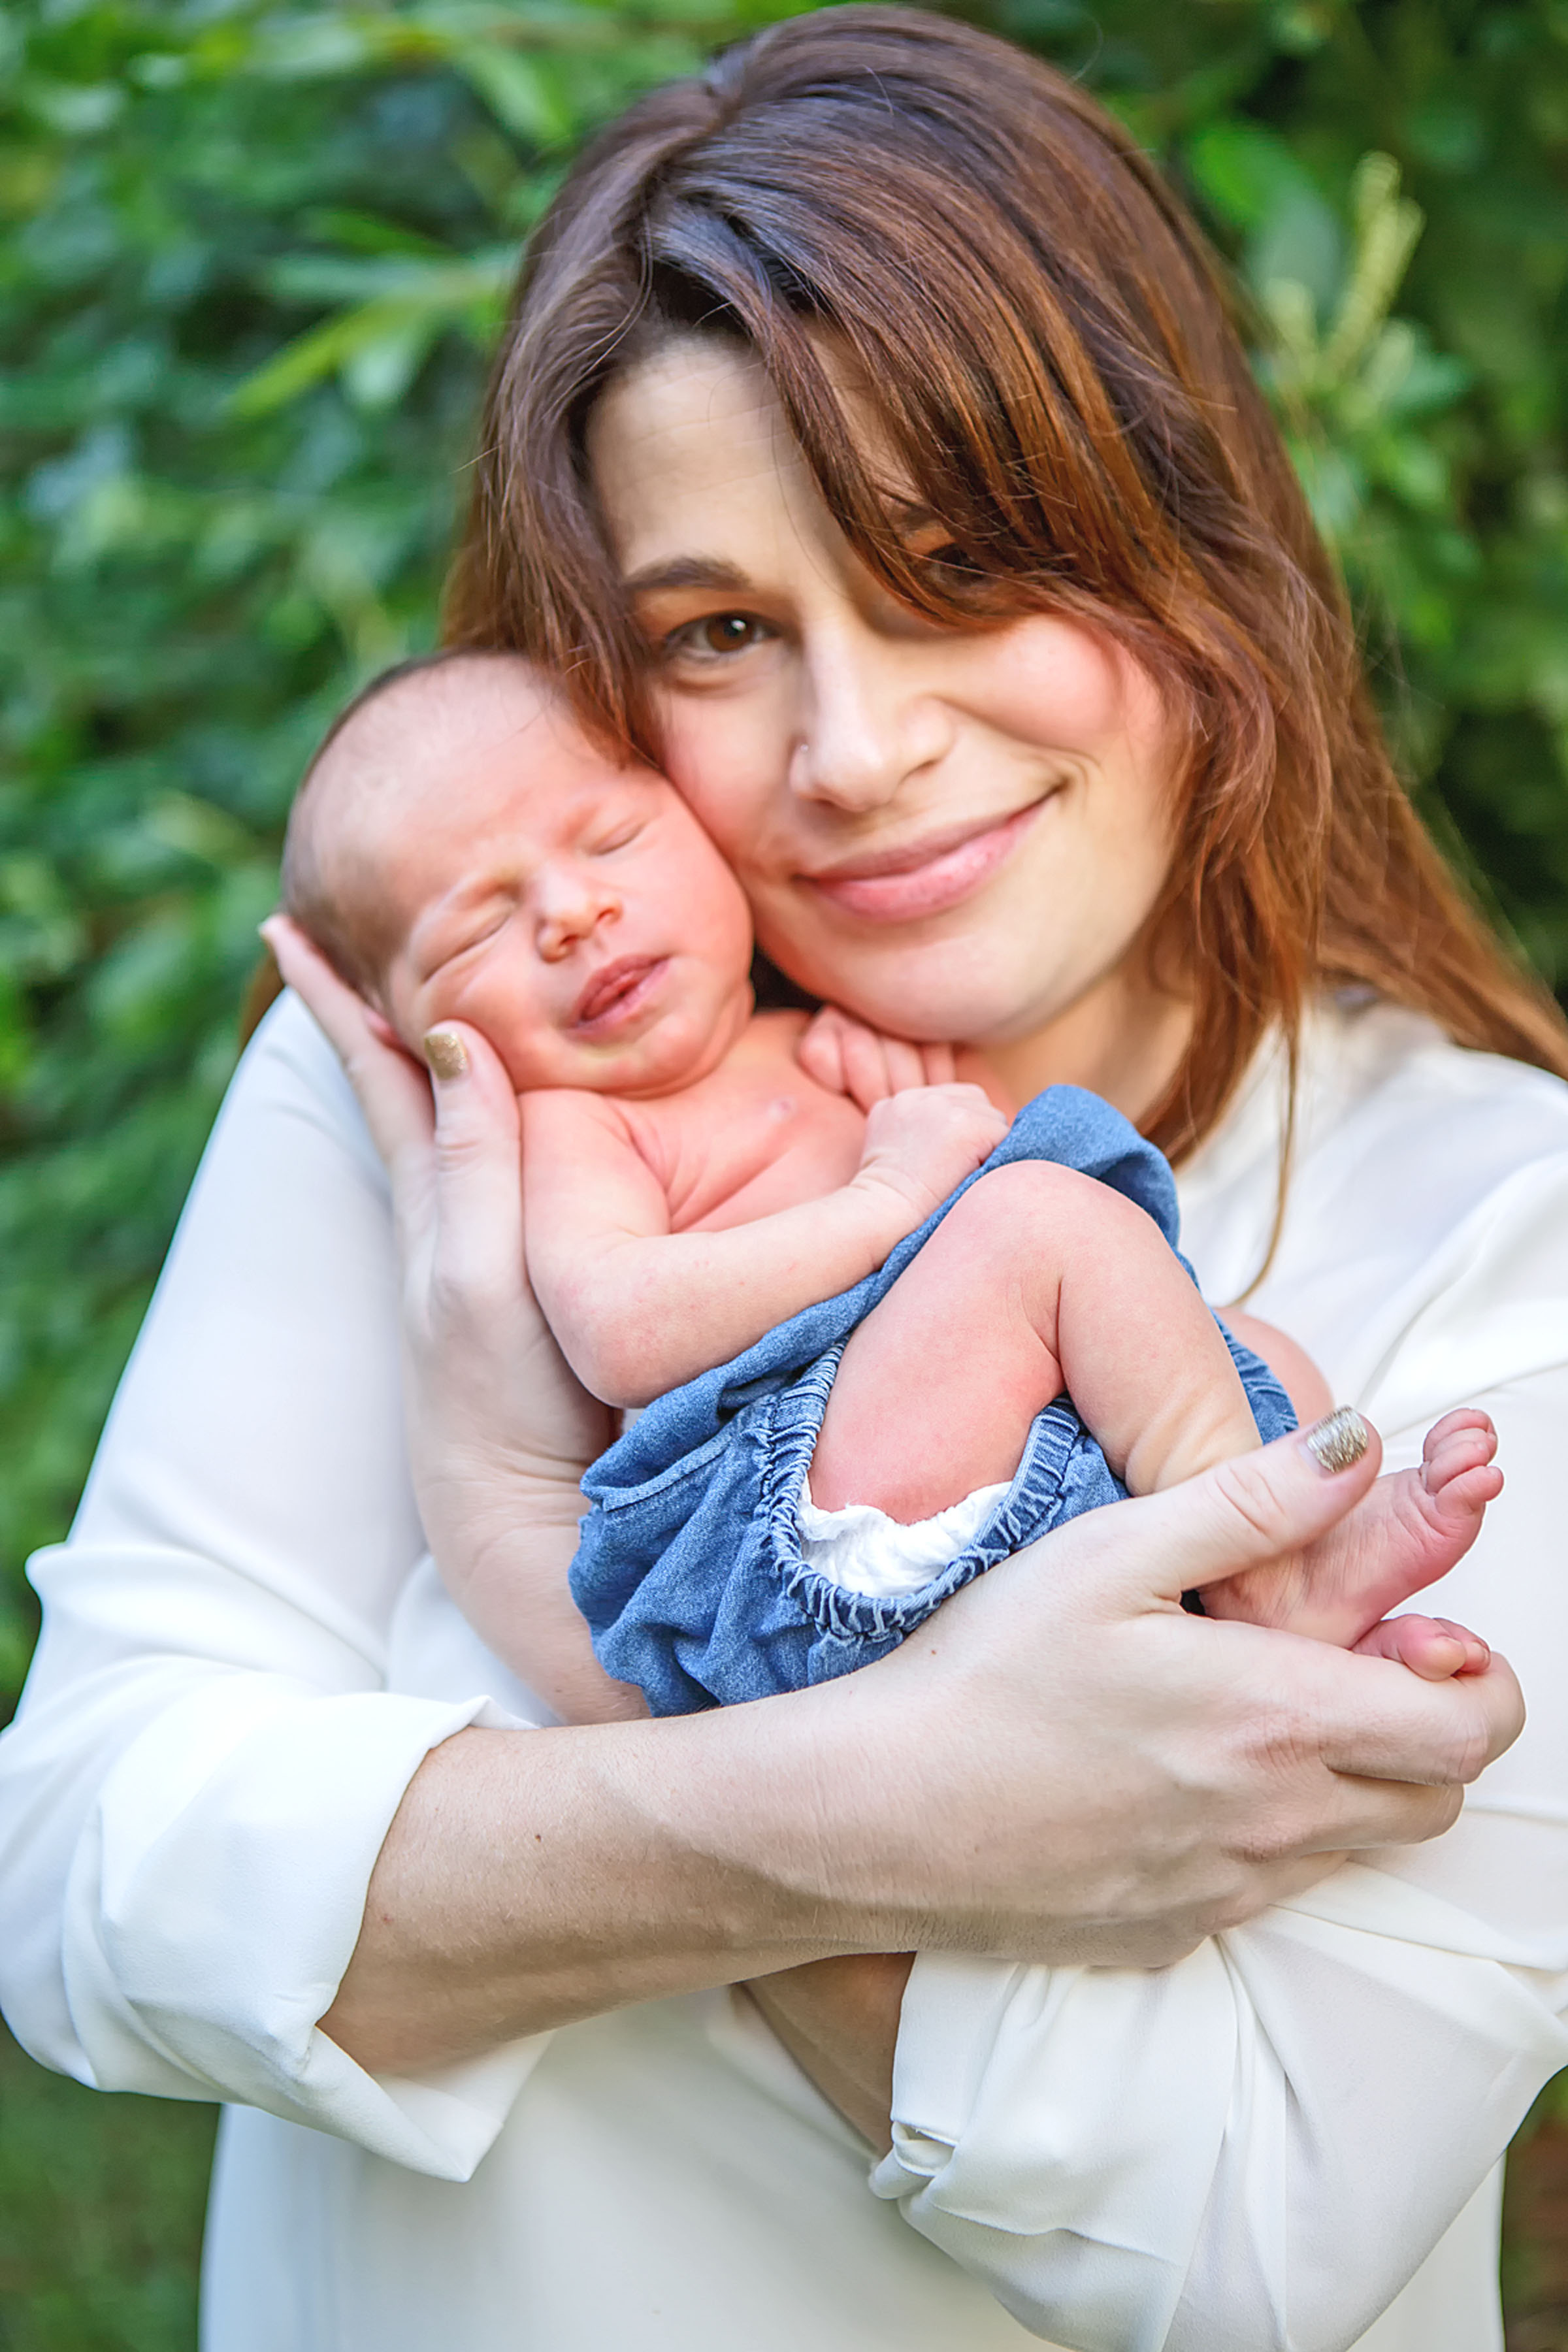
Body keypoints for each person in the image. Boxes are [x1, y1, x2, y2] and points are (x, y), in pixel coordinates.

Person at [0, 12, 1563, 2350]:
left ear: (1192, 556)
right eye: (723, 633)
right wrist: (898, 1808)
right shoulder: (470, 1100)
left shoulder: (1495, 1213)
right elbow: (83, 1883)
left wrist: (550, 1656)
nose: (859, 749)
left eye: (957, 568)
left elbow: (1256, 2229)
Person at [279, 646, 1494, 1725]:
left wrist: (921, 1123)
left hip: (969, 1476)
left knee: (1260, 1355)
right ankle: (1267, 1565)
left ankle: (1228, 1606)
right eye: (472, 932)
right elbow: (622, 1329)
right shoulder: (580, 1128)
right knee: (1042, 1226)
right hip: (775, 1531)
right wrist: (887, 1199)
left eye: (613, 841)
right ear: (401, 1028)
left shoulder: (819, 1040)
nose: (571, 912)